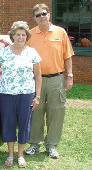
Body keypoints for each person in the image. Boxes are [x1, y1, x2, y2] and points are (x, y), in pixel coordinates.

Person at [0, 21, 42, 168]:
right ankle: (10, 154)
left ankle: (20, 154)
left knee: (24, 123)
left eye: (23, 35)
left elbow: (38, 76)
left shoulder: (32, 53)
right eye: (18, 34)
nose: (20, 37)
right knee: (8, 123)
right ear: (12, 36)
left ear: (27, 36)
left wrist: (37, 96)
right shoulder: (4, 52)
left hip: (26, 94)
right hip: (7, 94)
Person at [25, 4, 74, 159]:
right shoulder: (30, 35)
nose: (42, 17)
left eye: (44, 13)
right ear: (34, 18)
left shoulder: (60, 32)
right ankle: (34, 143)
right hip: (36, 80)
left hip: (56, 79)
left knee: (56, 111)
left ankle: (51, 145)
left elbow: (68, 56)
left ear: (49, 14)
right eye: (38, 15)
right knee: (36, 111)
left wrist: (70, 76)